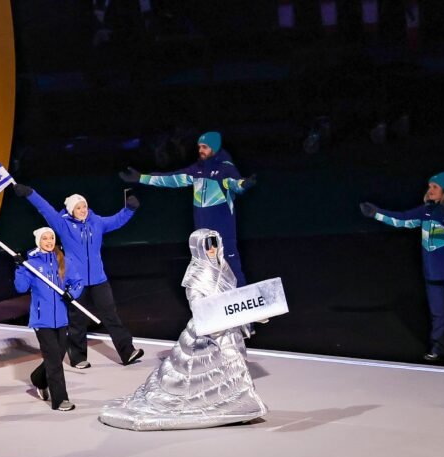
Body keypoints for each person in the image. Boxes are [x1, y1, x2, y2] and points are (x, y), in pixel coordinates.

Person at [99, 229, 267, 430]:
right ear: (197, 247)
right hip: (210, 331)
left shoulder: (224, 268)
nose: (212, 249)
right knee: (214, 372)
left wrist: (251, 313)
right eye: (207, 245)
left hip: (226, 328)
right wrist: (221, 317)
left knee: (231, 370)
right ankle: (235, 406)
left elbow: (233, 299)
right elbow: (198, 306)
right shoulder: (196, 275)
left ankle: (238, 407)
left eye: (214, 243)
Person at [13, 182, 144, 369]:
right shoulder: (63, 225)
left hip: (99, 279)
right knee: (77, 320)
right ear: (71, 210)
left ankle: (127, 351)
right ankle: (78, 357)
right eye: (78, 207)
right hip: (76, 280)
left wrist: (129, 209)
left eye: (84, 206)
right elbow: (45, 209)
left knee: (111, 315)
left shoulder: (96, 222)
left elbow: (116, 221)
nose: (83, 210)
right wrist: (30, 193)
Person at [120, 131, 255, 286]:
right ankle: (217, 297)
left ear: (214, 147)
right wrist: (141, 178)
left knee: (230, 260)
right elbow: (172, 178)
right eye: (199, 147)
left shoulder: (225, 168)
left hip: (223, 227)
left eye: (204, 147)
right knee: (209, 264)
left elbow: (235, 184)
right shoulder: (196, 169)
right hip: (204, 229)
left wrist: (244, 184)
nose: (200, 150)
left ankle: (242, 291)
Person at [360, 172, 444, 365]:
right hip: (433, 274)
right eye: (429, 186)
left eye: (435, 187)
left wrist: (437, 211)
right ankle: (440, 348)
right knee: (438, 313)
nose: (430, 190)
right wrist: (376, 213)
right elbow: (402, 219)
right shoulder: (427, 210)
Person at [14, 227, 83, 411]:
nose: (49, 241)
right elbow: (20, 288)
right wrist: (20, 267)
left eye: (51, 237)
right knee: (53, 359)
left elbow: (77, 282)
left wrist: (72, 294)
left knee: (58, 355)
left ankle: (38, 378)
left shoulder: (63, 261)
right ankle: (60, 399)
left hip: (61, 318)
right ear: (39, 242)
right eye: (45, 238)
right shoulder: (32, 264)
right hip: (41, 319)